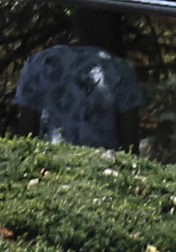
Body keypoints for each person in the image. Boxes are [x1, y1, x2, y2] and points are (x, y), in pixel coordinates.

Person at [13, 12, 146, 150]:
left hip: (47, 164)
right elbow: (130, 143)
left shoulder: (38, 62)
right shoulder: (120, 70)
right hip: (102, 167)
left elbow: (26, 130)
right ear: (101, 26)